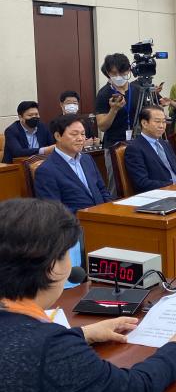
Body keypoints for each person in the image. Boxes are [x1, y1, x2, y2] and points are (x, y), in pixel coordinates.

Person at [0, 197, 176, 391]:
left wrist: (82, 333)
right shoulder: (52, 347)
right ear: (52, 267)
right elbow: (133, 387)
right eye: (66, 254)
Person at [34, 114, 113, 281]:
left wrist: (111, 212)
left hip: (103, 221)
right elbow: (54, 212)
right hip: (76, 232)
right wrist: (89, 218)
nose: (80, 139)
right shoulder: (46, 170)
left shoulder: (87, 159)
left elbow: (102, 190)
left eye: (83, 134)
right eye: (74, 134)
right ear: (57, 136)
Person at [95, 53, 141, 194]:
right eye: (114, 73)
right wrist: (113, 110)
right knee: (116, 185)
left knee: (138, 182)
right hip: (114, 145)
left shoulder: (137, 90)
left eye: (122, 72)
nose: (119, 76)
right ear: (108, 73)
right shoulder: (104, 93)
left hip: (136, 143)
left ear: (128, 70)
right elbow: (102, 126)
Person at [124, 106, 176, 193]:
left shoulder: (165, 143)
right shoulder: (134, 148)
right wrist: (173, 185)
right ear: (144, 123)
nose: (162, 126)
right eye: (157, 122)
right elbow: (142, 182)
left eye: (164, 122)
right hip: (160, 194)